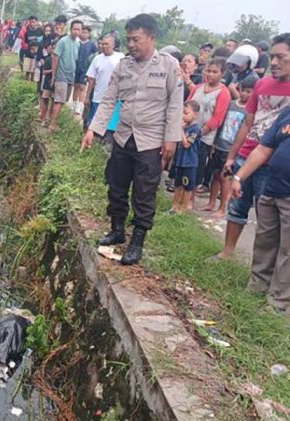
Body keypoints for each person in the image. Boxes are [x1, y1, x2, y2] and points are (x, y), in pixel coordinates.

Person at [81, 14, 183, 265]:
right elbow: (108, 100)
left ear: (151, 37)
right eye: (128, 40)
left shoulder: (169, 66)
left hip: (151, 140)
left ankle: (137, 240)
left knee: (144, 191)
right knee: (116, 185)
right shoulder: (123, 66)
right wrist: (93, 129)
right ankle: (117, 229)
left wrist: (171, 140)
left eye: (136, 39)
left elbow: (175, 106)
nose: (131, 44)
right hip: (124, 136)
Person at [215, 32, 290, 260]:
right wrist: (232, 156)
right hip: (248, 156)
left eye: (280, 57)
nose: (273, 63)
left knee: (269, 221)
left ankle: (264, 268)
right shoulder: (262, 84)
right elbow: (248, 122)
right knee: (236, 208)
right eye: (272, 57)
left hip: (276, 164)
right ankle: (227, 252)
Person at [229, 67, 290, 311]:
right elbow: (263, 149)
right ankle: (257, 286)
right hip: (272, 188)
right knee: (265, 240)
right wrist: (239, 177)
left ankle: (277, 302)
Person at [202, 77, 256, 217]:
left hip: (232, 149)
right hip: (219, 144)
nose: (245, 94)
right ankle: (211, 202)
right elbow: (220, 123)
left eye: (249, 92)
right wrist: (214, 142)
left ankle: (222, 208)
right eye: (243, 90)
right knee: (215, 175)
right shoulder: (231, 104)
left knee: (225, 178)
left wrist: (238, 151)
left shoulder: (251, 112)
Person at [187, 59, 231, 193]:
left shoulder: (223, 93)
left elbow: (217, 119)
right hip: (187, 133)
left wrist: (198, 134)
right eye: (208, 71)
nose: (210, 74)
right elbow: (187, 105)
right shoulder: (198, 88)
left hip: (204, 138)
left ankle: (191, 197)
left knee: (197, 166)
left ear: (222, 74)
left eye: (215, 72)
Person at [48, 19, 82, 131]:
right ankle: (53, 124)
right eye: (75, 29)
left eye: (79, 29)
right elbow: (55, 57)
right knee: (59, 100)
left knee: (63, 100)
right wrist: (54, 75)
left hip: (70, 76)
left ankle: (52, 119)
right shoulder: (63, 41)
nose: (77, 31)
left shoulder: (78, 43)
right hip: (61, 75)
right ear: (71, 29)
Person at [85, 34, 124, 125]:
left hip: (114, 99)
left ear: (113, 45)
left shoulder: (120, 57)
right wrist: (87, 97)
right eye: (103, 44)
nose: (104, 46)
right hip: (98, 97)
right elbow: (91, 79)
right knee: (95, 124)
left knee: (110, 125)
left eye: (107, 44)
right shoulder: (97, 59)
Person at [171, 101, 202, 213]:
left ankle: (183, 208)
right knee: (178, 184)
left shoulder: (195, 129)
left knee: (187, 186)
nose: (183, 116)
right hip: (180, 160)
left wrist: (181, 130)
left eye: (186, 113)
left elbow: (186, 144)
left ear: (195, 114)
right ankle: (174, 206)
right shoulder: (185, 127)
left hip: (190, 162)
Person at [73, 26, 97, 117]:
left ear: (89, 34)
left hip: (86, 69)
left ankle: (79, 105)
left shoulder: (91, 44)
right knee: (75, 86)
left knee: (82, 87)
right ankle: (74, 104)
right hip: (76, 67)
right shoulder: (76, 42)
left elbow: (95, 56)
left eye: (86, 32)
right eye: (82, 32)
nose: (84, 34)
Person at [39, 39, 56, 125]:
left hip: (56, 84)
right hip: (47, 83)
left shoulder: (61, 60)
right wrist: (53, 71)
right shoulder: (48, 59)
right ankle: (43, 116)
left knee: (54, 101)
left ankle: (49, 118)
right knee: (45, 100)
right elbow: (44, 71)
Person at [23, 16, 43, 81]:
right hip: (28, 53)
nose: (32, 24)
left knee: (33, 70)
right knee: (27, 70)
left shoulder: (40, 31)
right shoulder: (27, 32)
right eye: (30, 22)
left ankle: (32, 82)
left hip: (36, 54)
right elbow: (26, 42)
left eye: (33, 22)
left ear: (36, 22)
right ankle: (26, 82)